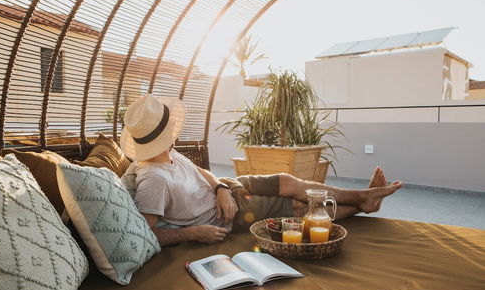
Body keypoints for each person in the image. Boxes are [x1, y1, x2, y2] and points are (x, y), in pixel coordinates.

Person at [120, 95, 403, 247]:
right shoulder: (153, 179)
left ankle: (362, 197)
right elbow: (147, 232)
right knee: (297, 206)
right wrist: (193, 233)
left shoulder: (171, 154)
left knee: (288, 181)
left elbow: (204, 173)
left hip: (230, 190)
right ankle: (363, 203)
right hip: (229, 215)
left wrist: (220, 189)